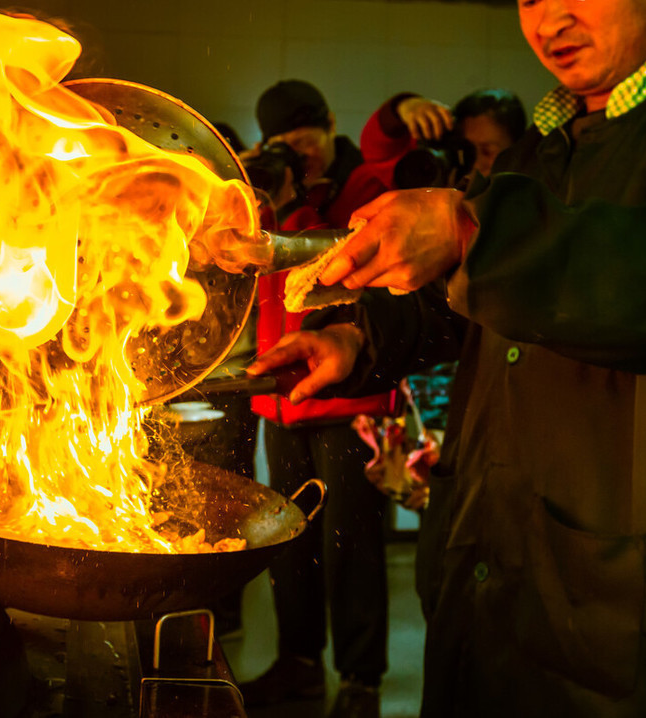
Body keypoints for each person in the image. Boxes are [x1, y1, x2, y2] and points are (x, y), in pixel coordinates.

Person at [246, 0, 646, 715]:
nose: (550, 17)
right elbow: (471, 305)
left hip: (636, 591)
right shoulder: (538, 150)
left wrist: (468, 233)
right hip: (490, 554)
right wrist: (360, 341)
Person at [238, 80, 398, 718]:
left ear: (331, 122)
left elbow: (347, 248)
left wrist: (308, 195)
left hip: (346, 400)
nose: (299, 147)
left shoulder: (360, 188)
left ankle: (361, 681)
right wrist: (267, 194)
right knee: (292, 545)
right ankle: (299, 664)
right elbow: (253, 259)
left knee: (351, 546)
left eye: (308, 131)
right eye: (285, 138)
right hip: (281, 400)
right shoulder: (276, 194)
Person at [360, 87, 526, 191]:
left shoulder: (518, 203)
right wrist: (405, 107)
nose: (474, 161)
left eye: (488, 151)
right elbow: (378, 151)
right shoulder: (434, 174)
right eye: (465, 148)